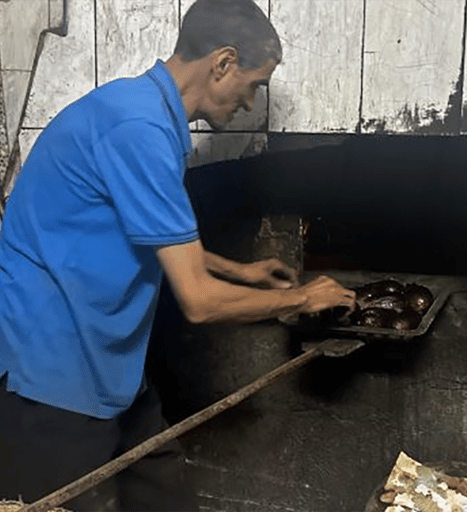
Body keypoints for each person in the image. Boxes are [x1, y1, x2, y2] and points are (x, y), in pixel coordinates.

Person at [0, 0, 355, 510]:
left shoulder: (145, 114)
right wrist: (299, 299)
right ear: (223, 62)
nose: (251, 103)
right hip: (53, 376)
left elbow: (155, 235)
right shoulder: (137, 130)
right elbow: (199, 302)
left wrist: (242, 271)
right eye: (254, 84)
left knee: (168, 499)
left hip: (108, 367)